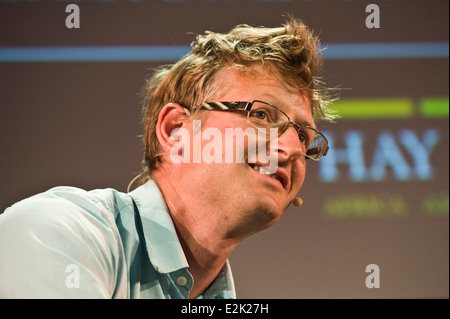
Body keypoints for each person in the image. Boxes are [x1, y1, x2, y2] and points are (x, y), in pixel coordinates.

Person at [0, 16, 336, 299]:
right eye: (262, 115)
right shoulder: (58, 231)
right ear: (176, 130)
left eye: (304, 137)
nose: (292, 149)